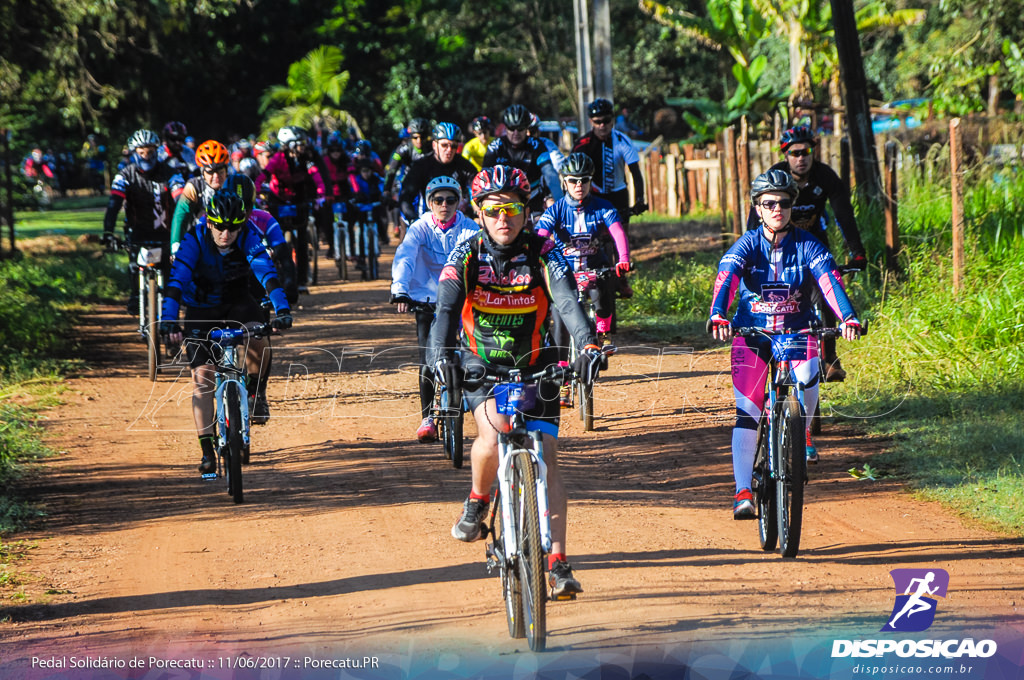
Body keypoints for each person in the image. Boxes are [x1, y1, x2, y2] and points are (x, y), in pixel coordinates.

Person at [426, 165, 602, 597]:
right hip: (481, 365)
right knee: (493, 433)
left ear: (527, 211)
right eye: (492, 211)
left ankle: (558, 561)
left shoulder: (545, 250)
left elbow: (566, 300)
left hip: (537, 363)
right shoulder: (465, 254)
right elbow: (445, 313)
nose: (503, 219)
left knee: (547, 456)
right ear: (478, 213)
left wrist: (588, 343)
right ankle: (479, 499)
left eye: (512, 209)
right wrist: (439, 357)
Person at [709, 169, 861, 518]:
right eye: (769, 203)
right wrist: (718, 314)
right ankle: (743, 490)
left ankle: (802, 430)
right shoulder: (746, 244)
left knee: (808, 376)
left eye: (785, 202)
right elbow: (727, 278)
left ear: (793, 205)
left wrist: (847, 317)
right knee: (747, 413)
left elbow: (829, 283)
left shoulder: (808, 244)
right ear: (757, 208)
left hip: (797, 332)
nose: (778, 209)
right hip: (752, 335)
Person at [160, 189, 293, 475]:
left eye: (233, 227)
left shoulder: (247, 236)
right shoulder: (194, 239)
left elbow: (266, 273)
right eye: (219, 225)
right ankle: (207, 450)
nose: (226, 233)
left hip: (237, 304)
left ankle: (256, 391)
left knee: (261, 336)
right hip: (200, 308)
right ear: (208, 222)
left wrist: (282, 309)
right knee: (203, 379)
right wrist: (168, 321)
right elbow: (176, 283)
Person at [745, 124, 868, 383]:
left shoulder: (826, 177)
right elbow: (753, 224)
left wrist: (857, 252)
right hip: (774, 245)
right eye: (794, 153)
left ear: (813, 152)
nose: (801, 158)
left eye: (806, 152)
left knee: (826, 288)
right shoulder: (775, 177)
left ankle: (830, 359)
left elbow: (844, 216)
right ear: (785, 155)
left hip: (812, 243)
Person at [535, 152, 630, 404]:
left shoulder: (603, 207)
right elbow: (540, 234)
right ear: (564, 182)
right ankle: (563, 379)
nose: (579, 186)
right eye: (574, 180)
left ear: (591, 181)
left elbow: (618, 232)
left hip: (594, 269)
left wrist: (623, 258)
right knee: (560, 320)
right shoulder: (555, 210)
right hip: (564, 272)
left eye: (584, 180)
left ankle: (602, 334)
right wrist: (536, 255)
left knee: (604, 287)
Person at [390, 175, 479, 442]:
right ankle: (427, 417)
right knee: (427, 358)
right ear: (429, 203)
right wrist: (400, 289)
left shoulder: (469, 228)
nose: (444, 205)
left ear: (459, 202)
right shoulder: (419, 228)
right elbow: (405, 256)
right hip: (425, 299)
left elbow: (482, 258)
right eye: (438, 200)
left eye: (451, 200)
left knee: (473, 351)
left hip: (461, 298)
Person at [101, 129, 179, 312]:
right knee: (134, 265)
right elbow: (114, 204)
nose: (146, 156)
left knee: (169, 274)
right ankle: (136, 294)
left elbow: (181, 200)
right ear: (134, 152)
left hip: (166, 232)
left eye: (150, 152)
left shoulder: (170, 173)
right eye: (141, 152)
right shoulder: (124, 175)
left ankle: (169, 316)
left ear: (157, 151)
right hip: (138, 232)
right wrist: (108, 232)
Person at [258, 125, 326, 293]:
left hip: (299, 199)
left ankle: (302, 281)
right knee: (274, 240)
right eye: (299, 143)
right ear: (288, 144)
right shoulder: (278, 159)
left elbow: (316, 175)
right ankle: (276, 276)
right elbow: (263, 176)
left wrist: (321, 194)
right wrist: (257, 192)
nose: (303, 146)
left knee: (302, 242)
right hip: (278, 199)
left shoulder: (306, 158)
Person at [572, 98, 647, 238]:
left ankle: (623, 258)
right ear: (590, 122)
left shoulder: (622, 141)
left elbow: (635, 172)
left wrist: (640, 199)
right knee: (593, 240)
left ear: (612, 120)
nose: (602, 125)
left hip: (618, 194)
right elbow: (571, 174)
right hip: (593, 195)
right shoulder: (582, 144)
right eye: (597, 122)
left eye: (606, 121)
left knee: (621, 238)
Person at [483, 105, 563, 216]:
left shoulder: (537, 145)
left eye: (520, 128)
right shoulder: (496, 147)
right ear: (506, 128)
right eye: (512, 128)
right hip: (505, 201)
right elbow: (484, 177)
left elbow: (550, 175)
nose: (516, 133)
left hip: (532, 199)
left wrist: (562, 204)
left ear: (527, 128)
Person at [399, 122, 477, 224]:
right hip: (428, 221)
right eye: (444, 145)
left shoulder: (465, 166)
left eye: (453, 146)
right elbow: (405, 197)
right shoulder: (421, 165)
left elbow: (479, 190)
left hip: (458, 221)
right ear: (434, 145)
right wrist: (413, 219)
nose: (449, 150)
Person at [170, 139, 230, 252]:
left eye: (220, 170)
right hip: (200, 243)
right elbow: (180, 218)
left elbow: (253, 213)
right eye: (210, 171)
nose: (216, 176)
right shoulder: (194, 186)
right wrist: (175, 247)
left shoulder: (236, 184)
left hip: (230, 243)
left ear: (226, 169)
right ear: (202, 172)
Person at [158, 121, 198, 191]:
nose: (177, 142)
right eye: (173, 139)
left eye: (180, 139)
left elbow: (196, 173)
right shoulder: (159, 153)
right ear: (166, 139)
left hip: (185, 189)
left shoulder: (188, 152)